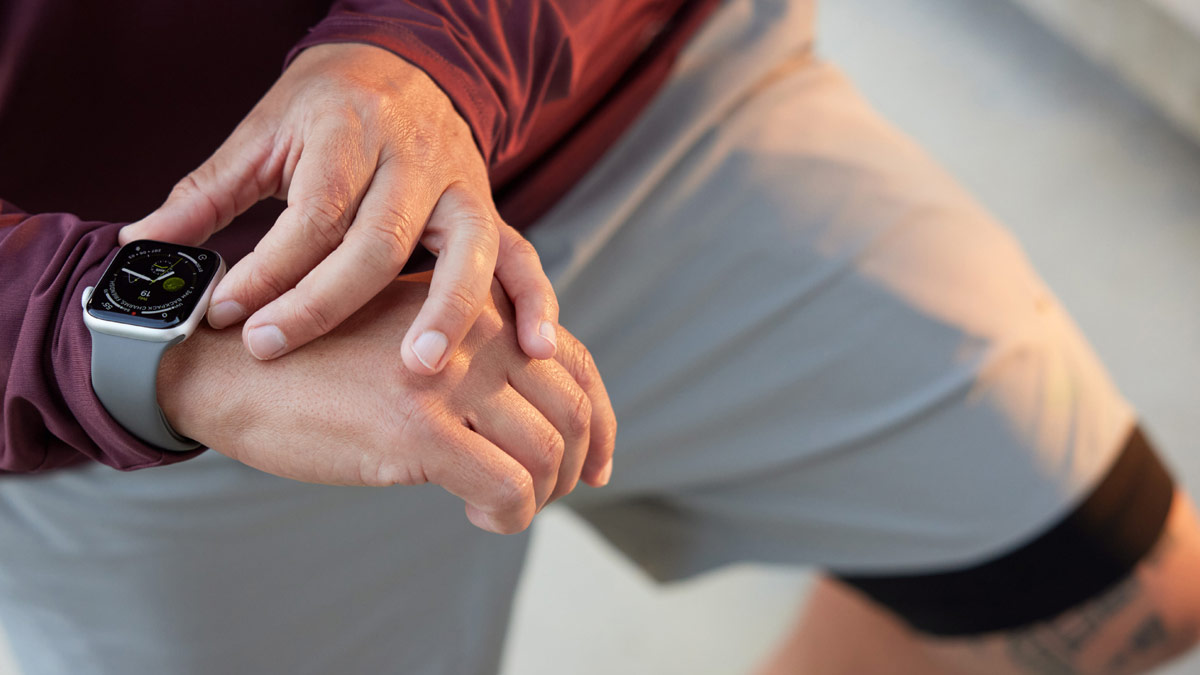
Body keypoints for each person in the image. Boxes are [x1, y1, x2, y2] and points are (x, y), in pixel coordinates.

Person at [1, 0, 1198, 673]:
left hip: (630, 105)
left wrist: (430, 53)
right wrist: (164, 354)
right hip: (138, 383)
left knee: (1117, 585)